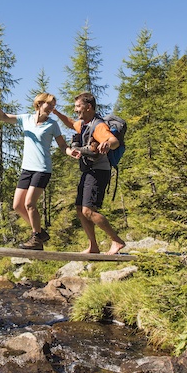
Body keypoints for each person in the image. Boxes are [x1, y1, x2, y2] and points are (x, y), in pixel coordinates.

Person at [0, 88, 69, 250]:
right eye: (49, 104)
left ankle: (36, 238)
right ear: (39, 103)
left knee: (29, 203)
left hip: (42, 168)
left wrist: (71, 152)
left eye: (54, 106)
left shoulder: (53, 124)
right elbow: (2, 117)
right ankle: (40, 233)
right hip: (27, 169)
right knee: (17, 206)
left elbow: (62, 145)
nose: (52, 108)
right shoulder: (26, 119)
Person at [54, 92, 126, 255]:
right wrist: (56, 112)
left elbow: (114, 141)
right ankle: (93, 245)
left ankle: (117, 241)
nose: (75, 109)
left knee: (88, 211)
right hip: (88, 171)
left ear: (88, 107)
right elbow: (71, 123)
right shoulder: (84, 124)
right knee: (80, 209)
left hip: (98, 171)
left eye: (78, 106)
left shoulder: (98, 126)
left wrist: (107, 144)